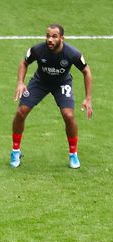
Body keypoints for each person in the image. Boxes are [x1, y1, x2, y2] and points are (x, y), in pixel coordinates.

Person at [11, 24, 92, 169]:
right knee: (21, 112)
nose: (50, 39)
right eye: (48, 36)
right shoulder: (37, 50)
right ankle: (15, 151)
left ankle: (73, 153)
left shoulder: (72, 54)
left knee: (68, 115)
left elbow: (86, 71)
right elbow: (24, 62)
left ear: (62, 38)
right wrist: (20, 82)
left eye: (54, 36)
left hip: (62, 83)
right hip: (40, 82)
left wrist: (88, 98)